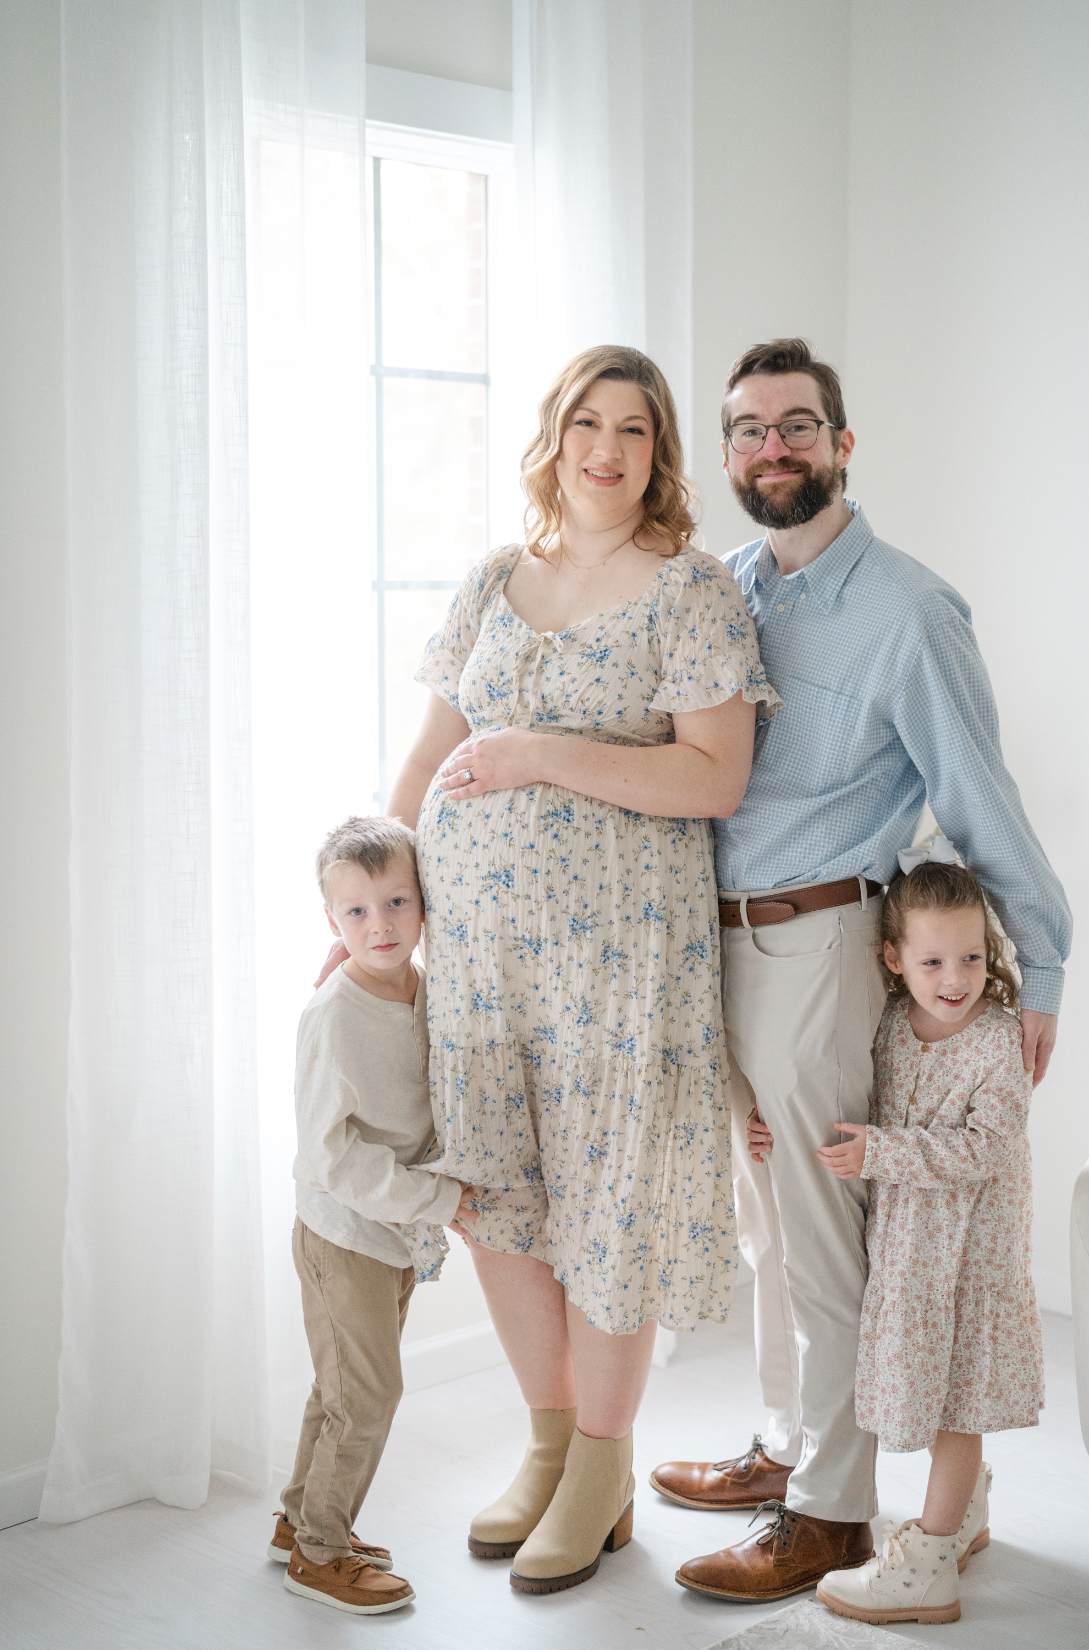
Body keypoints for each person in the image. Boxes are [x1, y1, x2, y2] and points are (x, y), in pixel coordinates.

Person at [657, 338, 1070, 1603]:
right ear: (726, 455)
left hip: (819, 940)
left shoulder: (906, 609)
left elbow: (976, 799)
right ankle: (791, 1449)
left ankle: (833, 1514)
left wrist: (1037, 964)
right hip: (718, 939)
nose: (768, 448)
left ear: (842, 445)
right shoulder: (726, 589)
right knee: (770, 1224)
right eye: (745, 430)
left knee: (828, 1240)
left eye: (795, 426)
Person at [388, 344, 778, 1595]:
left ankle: (604, 1463)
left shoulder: (691, 591)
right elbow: (428, 757)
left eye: (634, 430)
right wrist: (380, 906)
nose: (605, 450)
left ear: (660, 455)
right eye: (584, 425)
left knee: (613, 1203)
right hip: (478, 960)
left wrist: (542, 752)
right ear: (553, 437)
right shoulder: (495, 579)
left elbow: (712, 778)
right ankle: (550, 1444)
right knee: (497, 1199)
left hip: (621, 965)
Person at [811, 849, 1042, 1626]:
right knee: (936, 1392)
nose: (956, 977)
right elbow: (852, 1098)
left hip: (971, 1257)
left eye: (973, 957)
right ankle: (964, 1513)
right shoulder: (887, 1026)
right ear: (893, 958)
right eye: (935, 959)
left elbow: (985, 1148)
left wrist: (879, 1152)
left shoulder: (997, 1042)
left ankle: (932, 1560)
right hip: (910, 1252)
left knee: (957, 1403)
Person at [275, 816, 478, 1616]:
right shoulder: (335, 1017)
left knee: (341, 1389)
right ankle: (320, 1552)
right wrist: (441, 1200)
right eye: (357, 912)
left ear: (425, 905)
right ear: (333, 922)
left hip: (388, 1232)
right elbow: (333, 1158)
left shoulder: (423, 988)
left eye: (397, 902)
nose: (381, 925)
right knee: (368, 1394)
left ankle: (300, 1522)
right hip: (343, 1233)